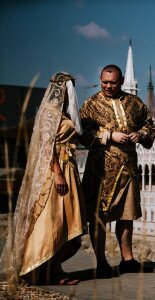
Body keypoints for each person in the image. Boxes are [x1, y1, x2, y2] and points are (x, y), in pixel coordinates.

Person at [0, 72, 87, 288]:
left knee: (67, 223)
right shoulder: (49, 112)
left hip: (69, 168)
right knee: (53, 220)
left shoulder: (63, 113)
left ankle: (54, 269)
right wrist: (57, 173)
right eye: (71, 88)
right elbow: (46, 146)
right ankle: (48, 270)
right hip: (56, 172)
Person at [79, 65, 155, 277]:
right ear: (100, 80)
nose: (108, 86)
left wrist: (139, 134)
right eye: (104, 82)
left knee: (126, 215)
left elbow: (150, 126)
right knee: (98, 217)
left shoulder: (134, 103)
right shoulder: (91, 104)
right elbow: (83, 134)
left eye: (112, 82)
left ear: (120, 81)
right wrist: (109, 136)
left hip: (128, 168)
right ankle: (102, 263)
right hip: (101, 171)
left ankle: (127, 260)